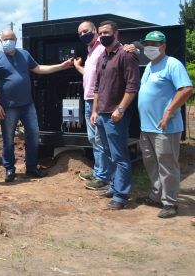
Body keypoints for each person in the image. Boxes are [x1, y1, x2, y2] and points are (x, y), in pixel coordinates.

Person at [0, 29, 74, 182]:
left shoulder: (24, 54)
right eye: (5, 39)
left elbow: (39, 68)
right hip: (7, 107)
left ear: (16, 39)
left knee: (33, 135)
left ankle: (32, 167)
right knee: (8, 139)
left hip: (27, 105)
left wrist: (61, 66)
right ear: (0, 41)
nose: (9, 41)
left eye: (11, 38)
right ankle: (9, 169)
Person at [74, 21, 138, 190]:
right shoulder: (95, 52)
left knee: (110, 148)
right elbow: (94, 79)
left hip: (110, 107)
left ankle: (108, 181)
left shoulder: (111, 50)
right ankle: (104, 176)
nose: (83, 35)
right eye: (80, 33)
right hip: (94, 103)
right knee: (97, 141)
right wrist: (78, 67)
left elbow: (131, 82)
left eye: (86, 31)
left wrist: (135, 47)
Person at [137, 30, 192, 218]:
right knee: (151, 163)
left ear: (163, 46)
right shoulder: (149, 66)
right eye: (147, 44)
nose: (150, 47)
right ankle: (156, 195)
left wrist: (169, 111)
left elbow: (186, 89)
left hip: (165, 127)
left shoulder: (172, 64)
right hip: (147, 128)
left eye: (154, 44)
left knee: (167, 165)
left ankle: (170, 202)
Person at [90, 20, 140, 210]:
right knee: (109, 154)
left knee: (119, 156)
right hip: (101, 114)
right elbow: (97, 87)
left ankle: (121, 195)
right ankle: (113, 186)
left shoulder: (126, 55)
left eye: (106, 33)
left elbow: (132, 86)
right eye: (100, 33)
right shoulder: (104, 56)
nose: (103, 36)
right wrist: (94, 110)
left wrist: (121, 109)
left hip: (115, 115)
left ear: (116, 33)